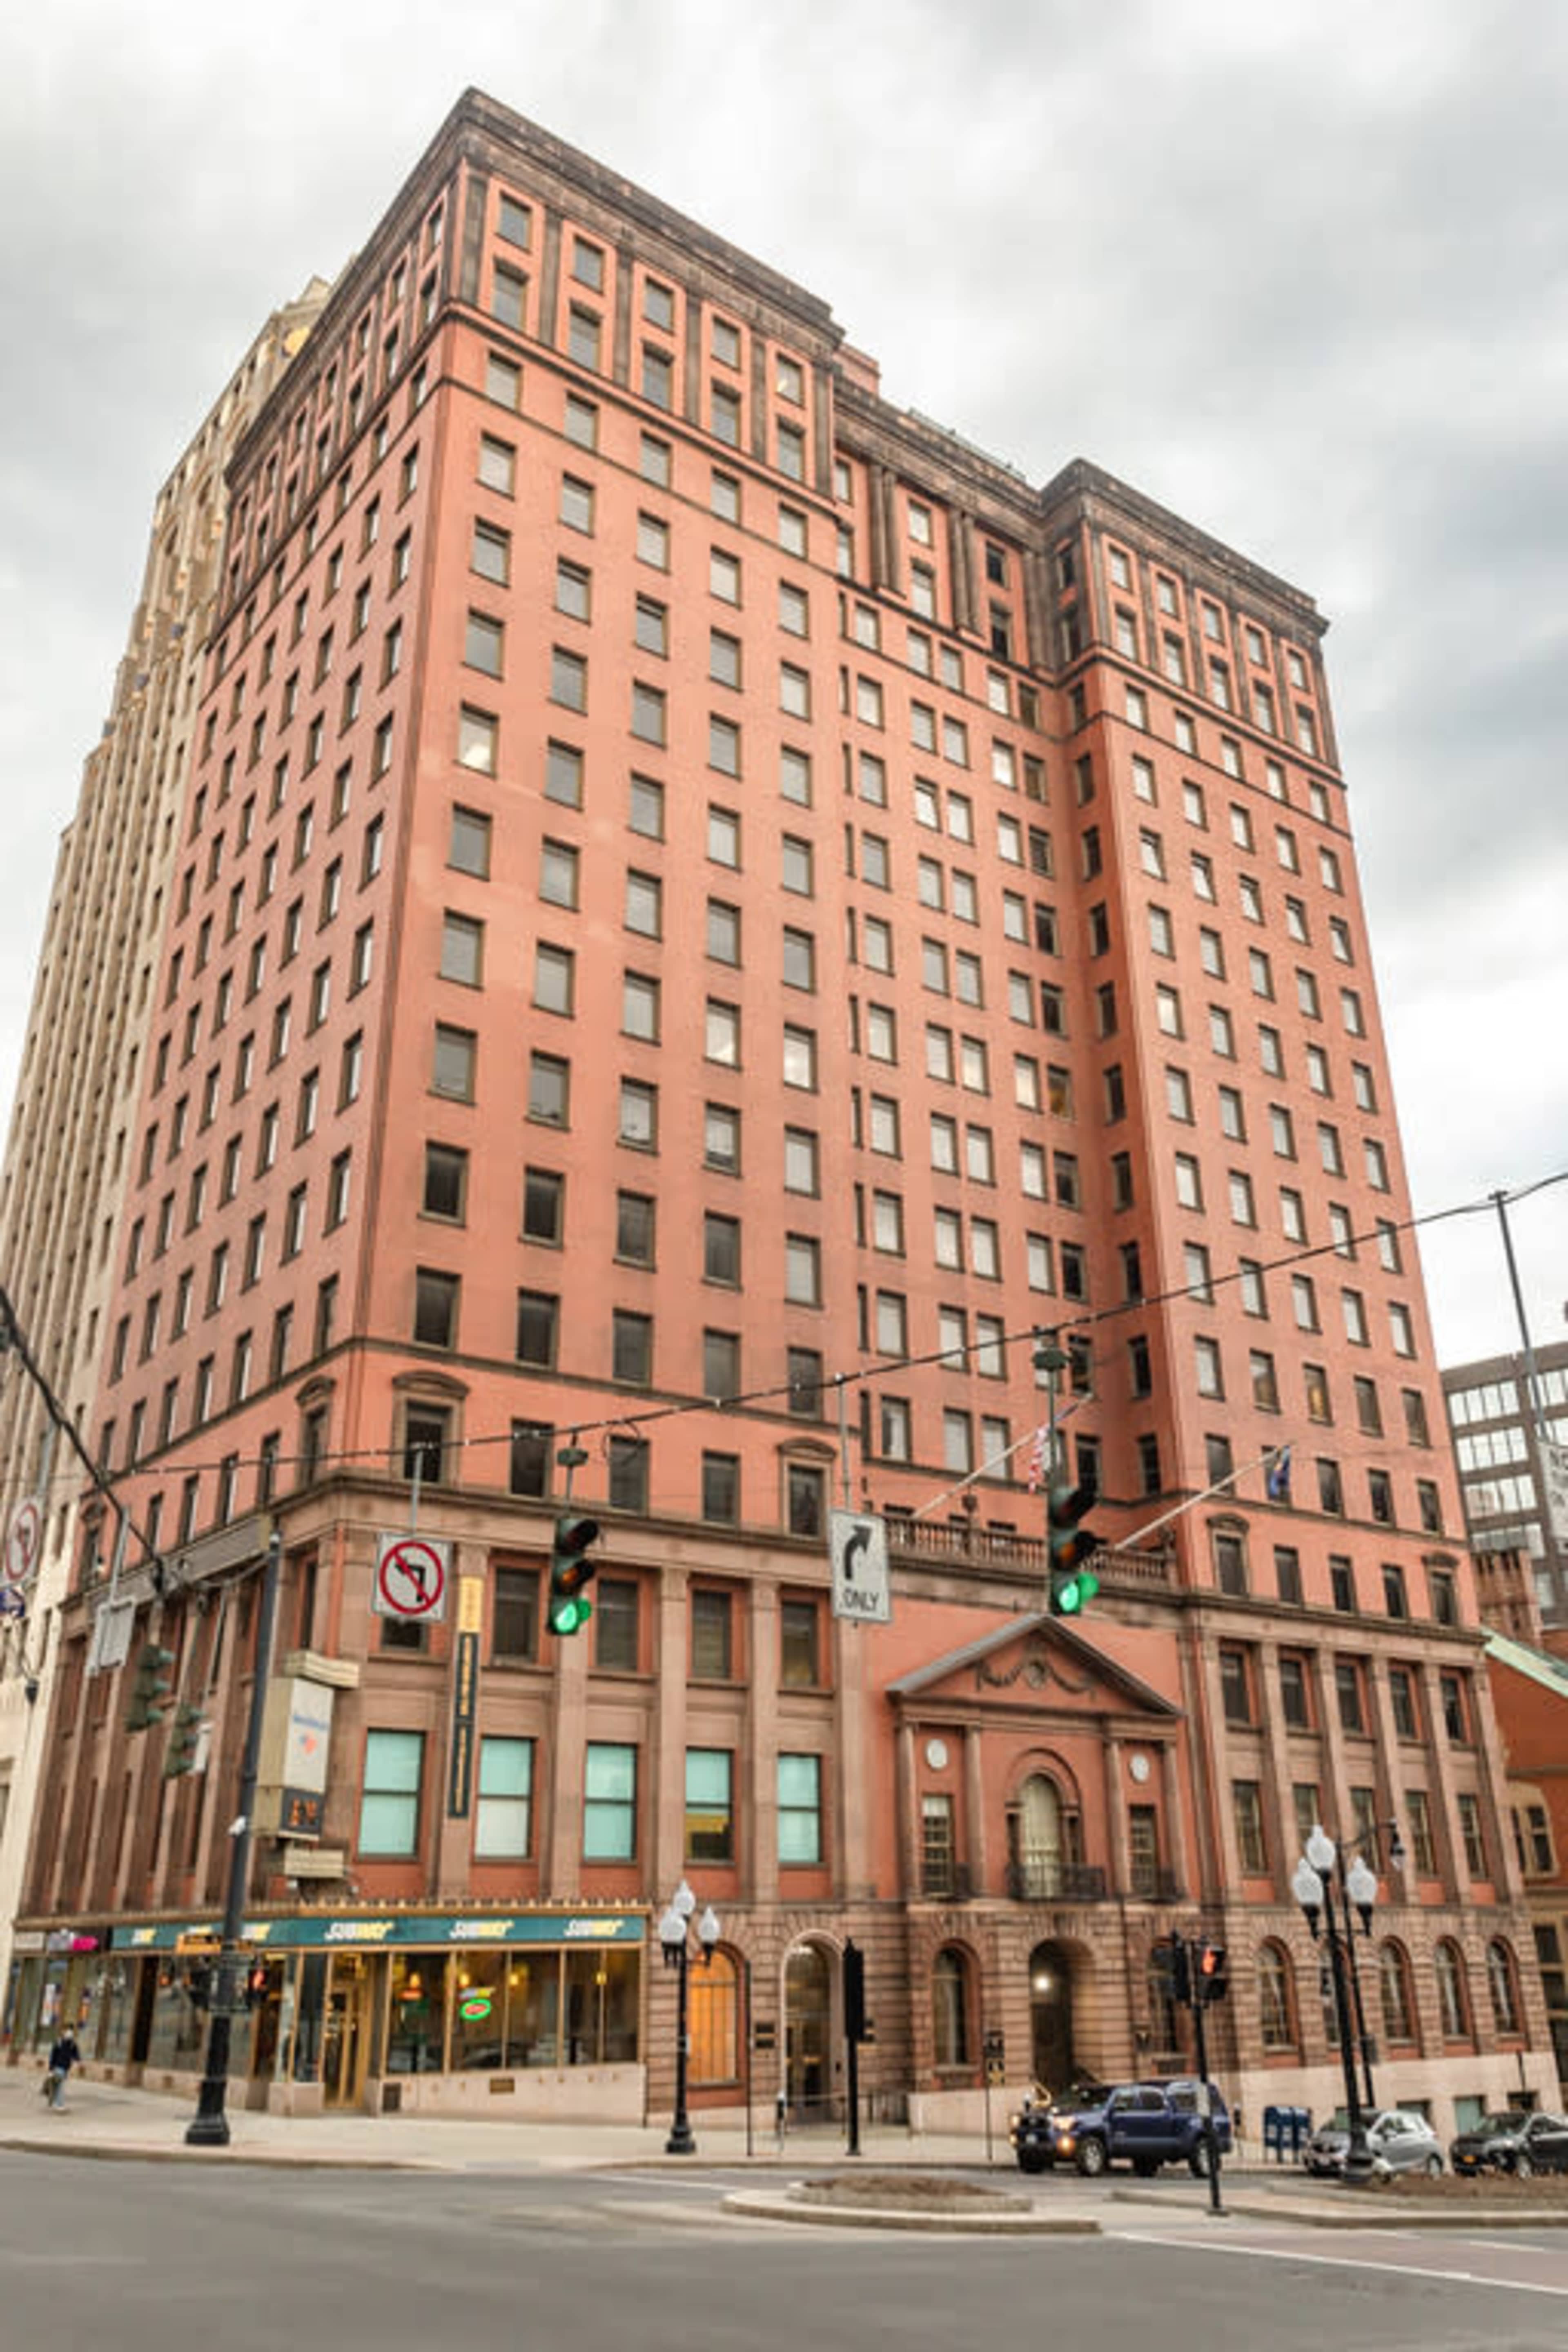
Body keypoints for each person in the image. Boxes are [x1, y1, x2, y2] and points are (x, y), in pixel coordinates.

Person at [46, 2026, 80, 2110]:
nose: (69, 2034)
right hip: (58, 2067)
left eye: (71, 2033)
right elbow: (53, 2056)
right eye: (68, 2032)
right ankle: (60, 2104)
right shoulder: (59, 2043)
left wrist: (76, 2060)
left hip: (66, 2069)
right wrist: (51, 2070)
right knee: (61, 2085)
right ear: (63, 2033)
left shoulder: (73, 2044)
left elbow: (76, 2056)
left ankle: (53, 2102)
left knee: (56, 2086)